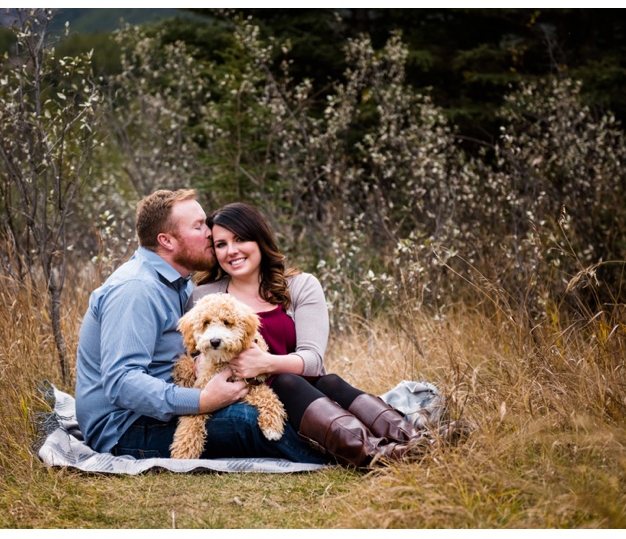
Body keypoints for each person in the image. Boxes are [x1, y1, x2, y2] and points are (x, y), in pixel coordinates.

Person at [75, 189, 331, 464]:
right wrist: (202, 401)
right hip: (127, 428)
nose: (211, 233)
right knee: (248, 420)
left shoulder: (180, 282)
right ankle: (340, 458)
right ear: (167, 240)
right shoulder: (136, 289)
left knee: (295, 394)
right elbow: (122, 383)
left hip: (168, 407)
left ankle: (350, 434)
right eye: (199, 226)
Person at [192, 202, 431, 467]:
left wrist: (266, 363)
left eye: (240, 239)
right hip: (252, 402)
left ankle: (418, 439)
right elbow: (196, 354)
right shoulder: (205, 296)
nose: (232, 251)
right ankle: (374, 454)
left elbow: (313, 360)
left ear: (258, 239)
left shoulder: (301, 286)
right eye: (221, 244)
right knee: (286, 382)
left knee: (330, 382)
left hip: (309, 398)